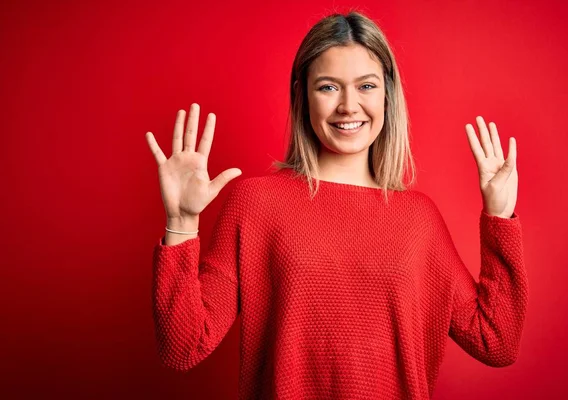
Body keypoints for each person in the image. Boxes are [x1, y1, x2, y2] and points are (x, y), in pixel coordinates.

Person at [144, 11, 528, 400]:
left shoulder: (419, 219)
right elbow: (184, 347)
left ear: (387, 95)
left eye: (366, 86)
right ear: (302, 94)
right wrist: (181, 221)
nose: (348, 106)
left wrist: (499, 218)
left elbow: (495, 340)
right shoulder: (255, 203)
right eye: (328, 87)